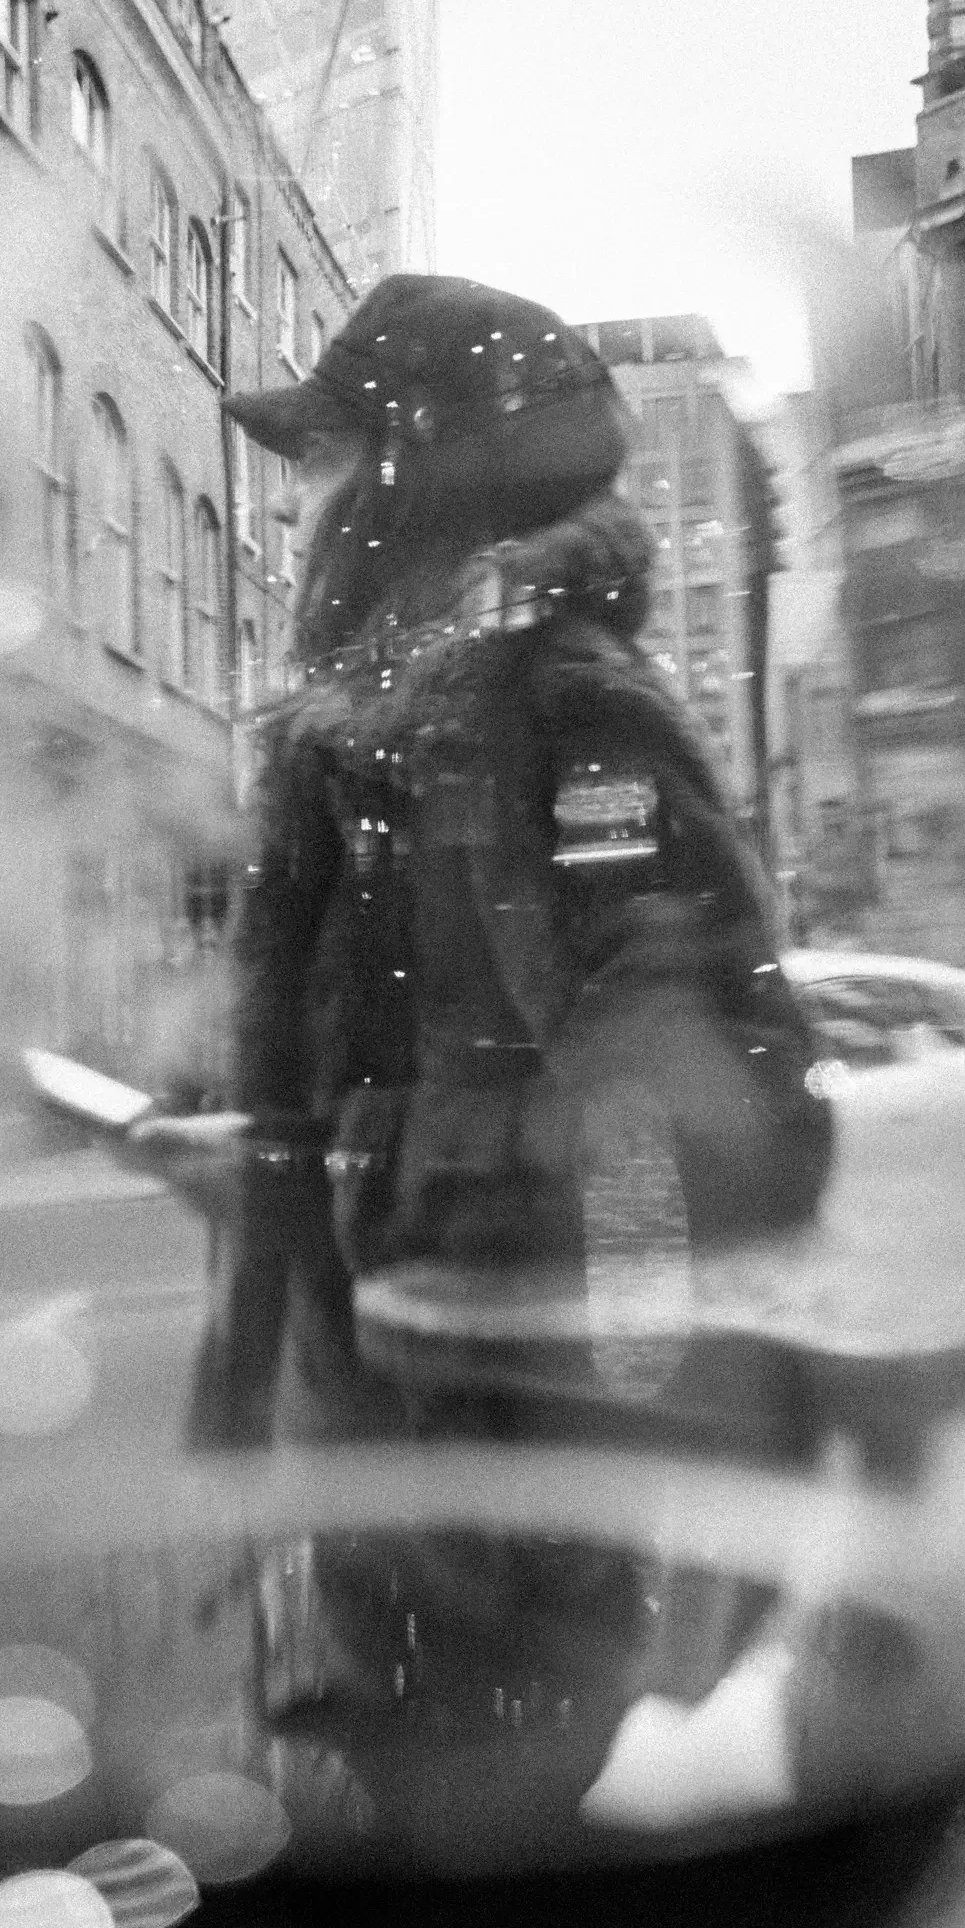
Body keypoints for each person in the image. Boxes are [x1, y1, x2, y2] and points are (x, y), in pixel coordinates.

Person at [181, 272, 833, 1453]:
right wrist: (258, 1170)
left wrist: (367, 1167)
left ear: (413, 477)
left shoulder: (565, 718)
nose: (282, 507)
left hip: (528, 1462)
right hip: (375, 1435)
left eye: (318, 457)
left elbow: (730, 1114)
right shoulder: (354, 752)